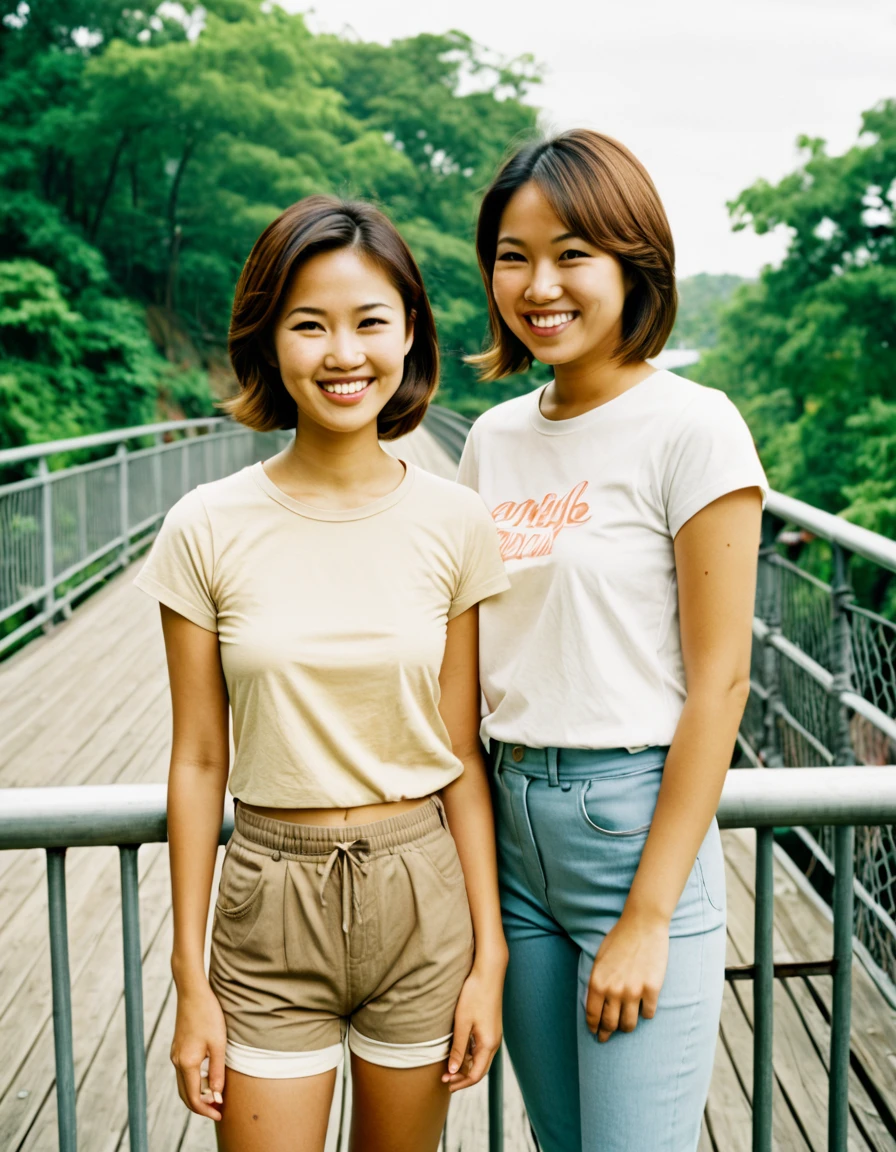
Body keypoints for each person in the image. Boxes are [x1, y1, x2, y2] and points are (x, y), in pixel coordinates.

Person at [135, 195, 510, 1152]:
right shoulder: (205, 525)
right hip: (268, 902)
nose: (344, 353)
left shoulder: (456, 520)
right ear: (269, 340)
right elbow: (197, 761)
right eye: (310, 324)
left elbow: (459, 750)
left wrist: (489, 958)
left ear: (410, 331)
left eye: (370, 321)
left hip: (423, 896)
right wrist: (190, 981)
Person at [457, 131, 768, 1152]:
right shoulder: (493, 437)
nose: (537, 284)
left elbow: (719, 682)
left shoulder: (693, 426)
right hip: (512, 828)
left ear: (633, 263)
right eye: (512, 255)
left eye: (571, 252)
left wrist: (645, 914)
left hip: (632, 828)